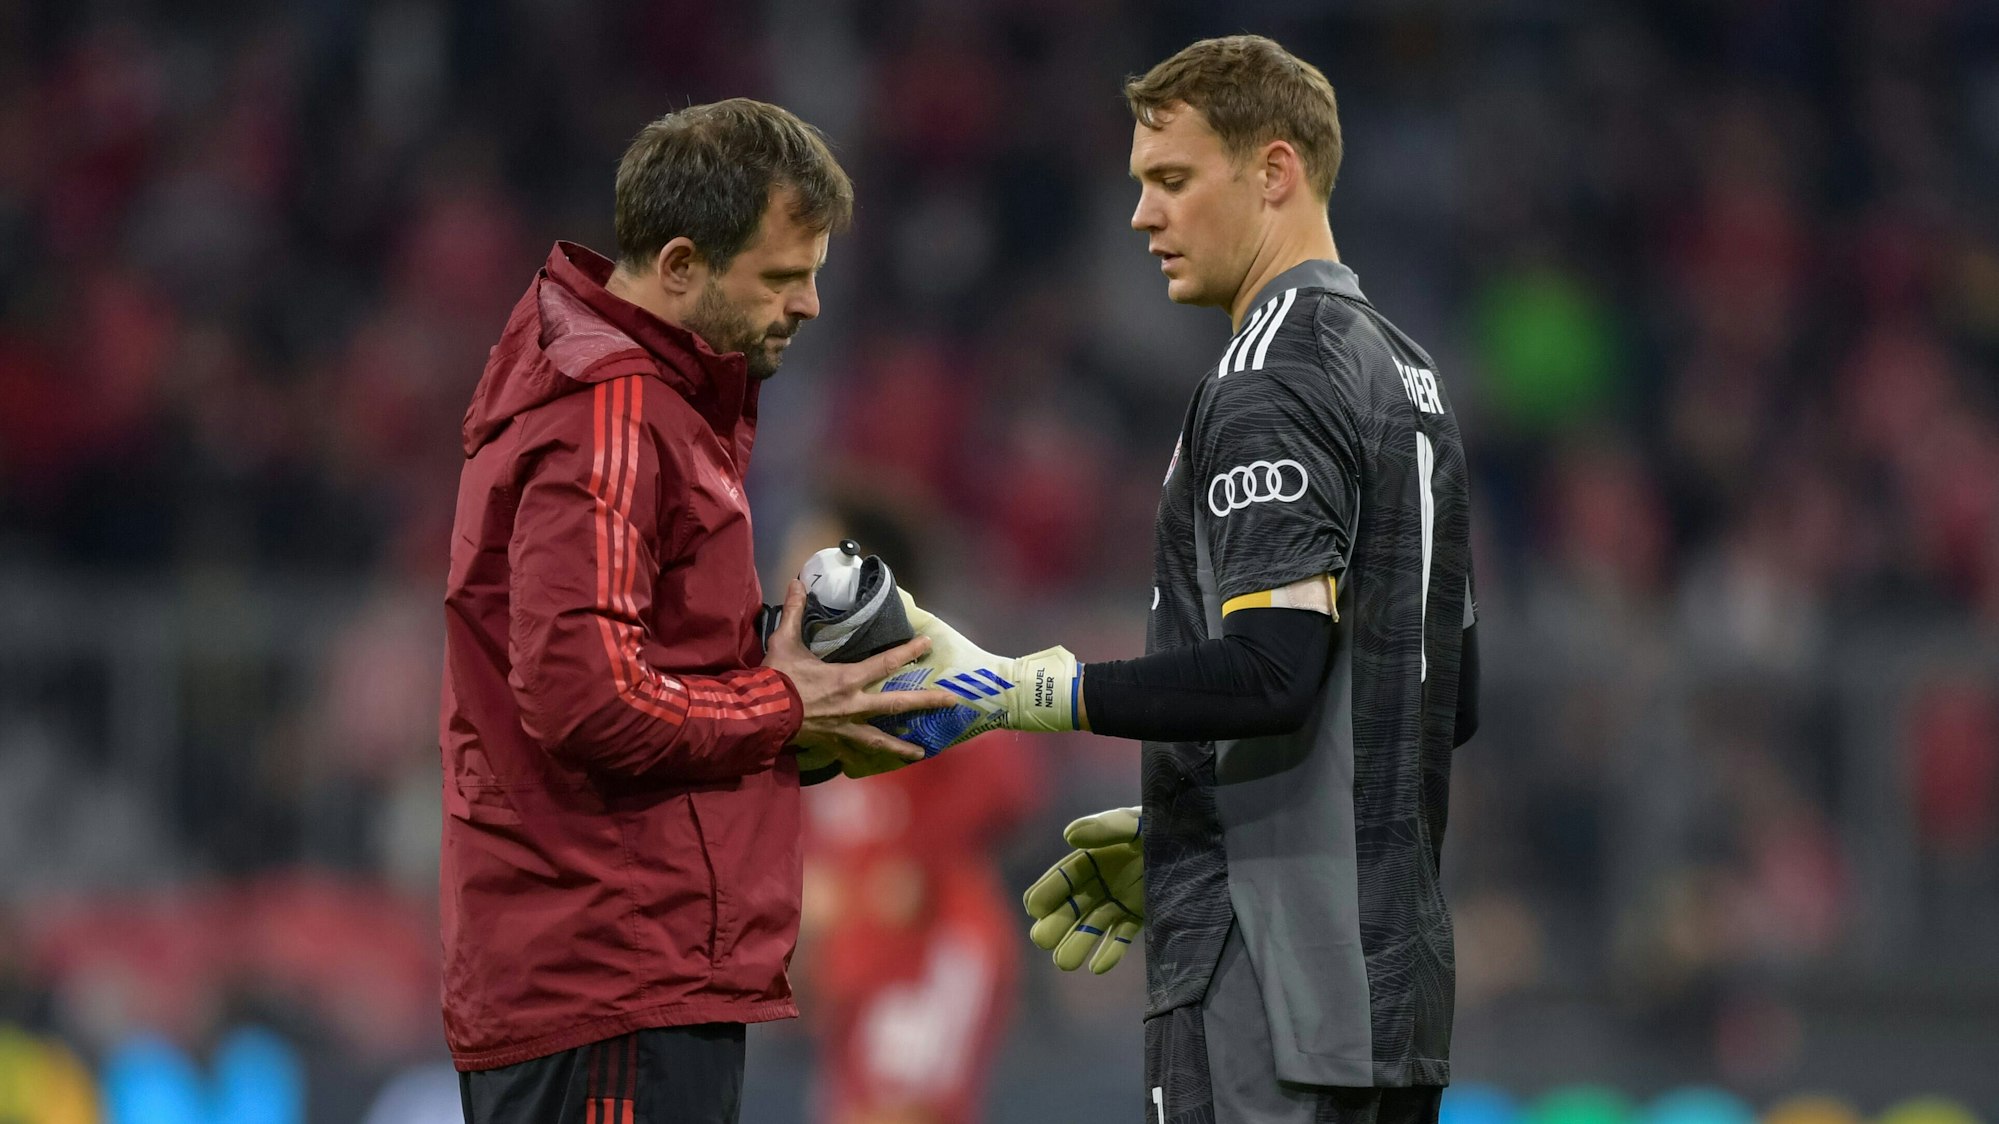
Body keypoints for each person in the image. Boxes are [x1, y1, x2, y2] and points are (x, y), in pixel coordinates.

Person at [868, 36, 1480, 1124]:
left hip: (1270, 997)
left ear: (1273, 172)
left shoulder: (1267, 381)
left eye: (1171, 180)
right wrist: (1186, 832)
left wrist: (1024, 690)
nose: (1143, 216)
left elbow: (1272, 669)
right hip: (1393, 998)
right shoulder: (1405, 371)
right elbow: (1445, 697)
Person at [437, 99, 959, 1124]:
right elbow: (584, 696)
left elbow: (635, 666)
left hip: (620, 968)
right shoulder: (613, 414)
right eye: (781, 275)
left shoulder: (645, 411)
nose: (809, 303)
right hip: (609, 974)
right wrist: (782, 705)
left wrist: (793, 690)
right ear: (679, 266)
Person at [786, 503, 1047, 1124]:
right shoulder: (806, 684)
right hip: (857, 964)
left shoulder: (919, 666)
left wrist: (904, 868)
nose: (790, 583)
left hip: (928, 950)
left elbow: (1008, 788)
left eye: (813, 567)